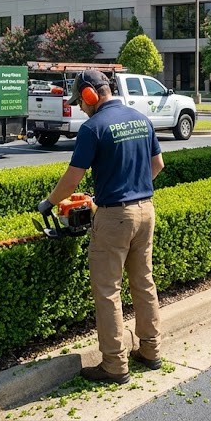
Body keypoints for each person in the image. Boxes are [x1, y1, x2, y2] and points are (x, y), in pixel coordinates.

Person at [38, 69, 165, 384]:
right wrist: (132, 187)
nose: (80, 107)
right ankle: (150, 351)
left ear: (90, 95)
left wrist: (49, 203)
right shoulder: (140, 118)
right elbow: (158, 165)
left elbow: (72, 178)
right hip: (146, 211)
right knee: (144, 283)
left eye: (80, 101)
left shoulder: (93, 127)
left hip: (114, 218)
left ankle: (114, 365)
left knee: (108, 292)